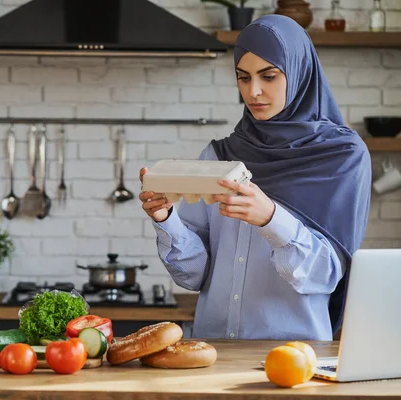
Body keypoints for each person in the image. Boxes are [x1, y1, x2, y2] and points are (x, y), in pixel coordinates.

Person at [138, 15, 371, 341]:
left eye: (269, 76)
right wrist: (166, 219)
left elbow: (325, 277)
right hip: (213, 351)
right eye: (243, 78)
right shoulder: (219, 156)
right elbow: (193, 276)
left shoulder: (343, 157)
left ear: (300, 72)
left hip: (295, 358)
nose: (254, 91)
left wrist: (271, 219)